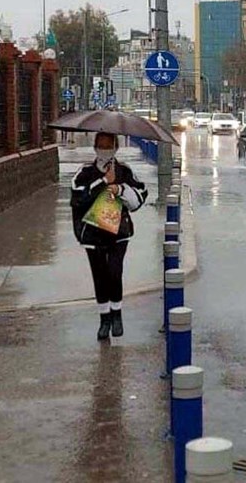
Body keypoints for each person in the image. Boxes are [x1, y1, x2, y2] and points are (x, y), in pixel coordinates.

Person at [70, 132, 148, 340]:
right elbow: (78, 199)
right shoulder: (85, 172)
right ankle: (104, 319)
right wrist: (104, 181)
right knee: (100, 275)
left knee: (114, 272)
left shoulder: (124, 171)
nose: (105, 150)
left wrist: (120, 188)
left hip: (118, 233)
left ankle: (117, 314)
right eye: (101, 145)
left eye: (109, 145)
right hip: (92, 234)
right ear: (95, 147)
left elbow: (140, 196)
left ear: (116, 147)